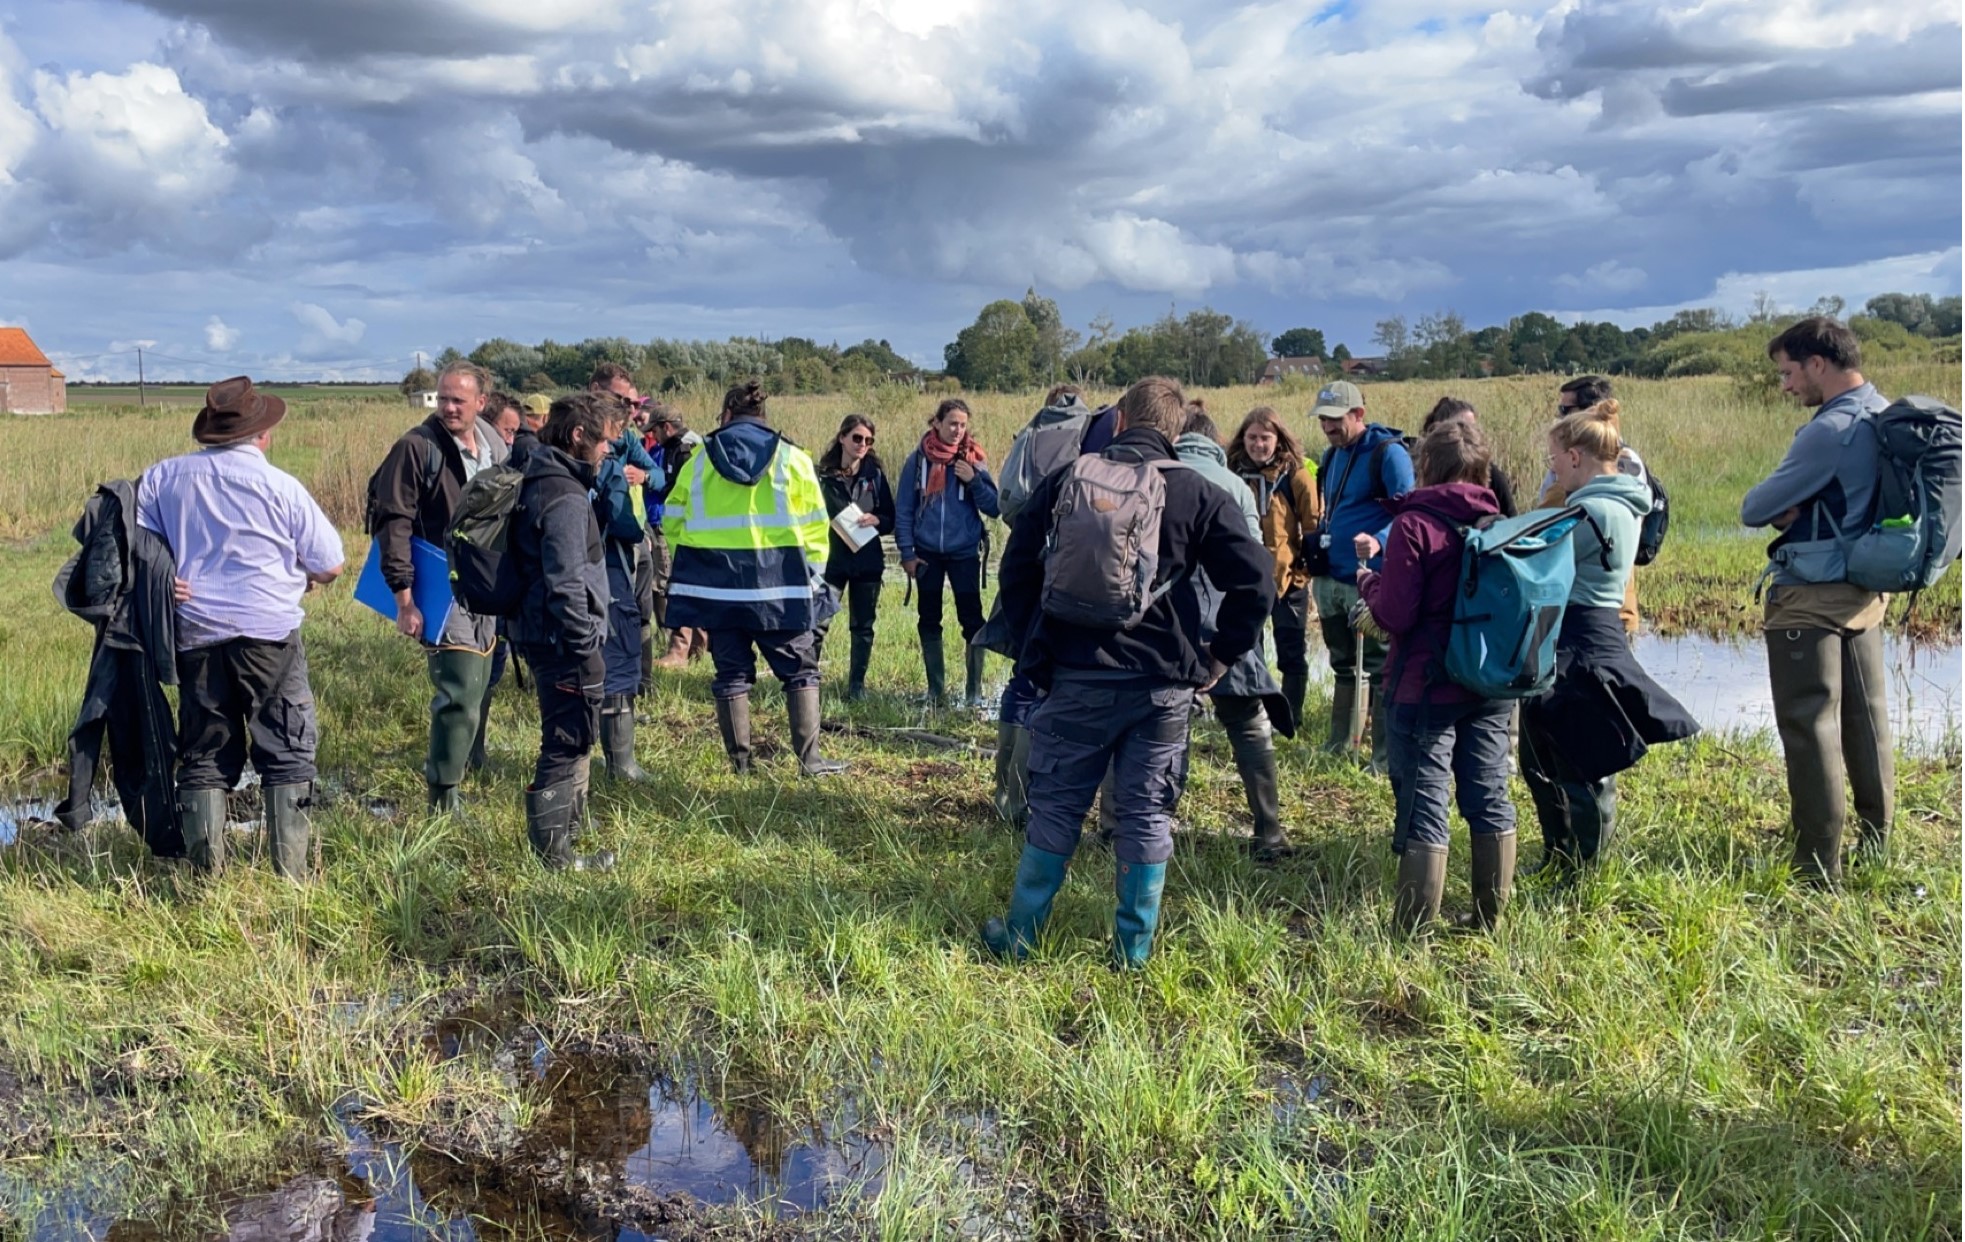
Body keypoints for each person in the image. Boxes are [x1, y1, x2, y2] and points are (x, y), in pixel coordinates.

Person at [982, 377, 1272, 969]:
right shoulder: (1196, 491)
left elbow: (1015, 568)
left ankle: (1020, 937)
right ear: (1176, 431)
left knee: (1057, 804)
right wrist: (1220, 655)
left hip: (1077, 674)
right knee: (1145, 812)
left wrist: (1038, 651)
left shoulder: (1071, 478)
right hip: (1163, 682)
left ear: (1118, 423)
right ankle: (1131, 952)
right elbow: (1256, 581)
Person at [136, 377, 344, 876]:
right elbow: (331, 563)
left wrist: (166, 578)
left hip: (196, 633)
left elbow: (136, 543)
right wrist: (300, 574)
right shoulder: (281, 486)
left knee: (206, 751)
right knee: (287, 748)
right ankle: (291, 878)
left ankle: (208, 877)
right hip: (269, 634)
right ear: (263, 433)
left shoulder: (163, 478)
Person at [1741, 317, 1894, 885]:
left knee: (1810, 727)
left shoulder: (1828, 429)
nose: (1785, 386)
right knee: (1867, 719)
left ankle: (1816, 866)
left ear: (1818, 364)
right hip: (1864, 588)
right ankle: (1876, 842)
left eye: (1788, 372)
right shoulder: (1883, 411)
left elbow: (1754, 508)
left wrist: (1789, 509)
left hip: (1811, 595)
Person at [1519, 402, 1697, 875]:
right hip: (1584, 633)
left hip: (1579, 638)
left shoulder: (1592, 508)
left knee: (1579, 760)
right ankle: (1564, 858)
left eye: (1553, 458)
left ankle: (1582, 869)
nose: (1552, 468)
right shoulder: (1620, 501)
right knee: (1549, 755)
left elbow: (1535, 562)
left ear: (1575, 457)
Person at [1354, 419, 1514, 930]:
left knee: (1425, 802)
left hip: (1424, 687)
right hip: (1490, 683)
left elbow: (1395, 615)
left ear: (1427, 465)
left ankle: (1412, 932)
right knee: (1489, 794)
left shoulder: (1415, 525)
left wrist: (1368, 584)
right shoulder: (1501, 522)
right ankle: (1490, 922)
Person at [664, 381, 848, 777]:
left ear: (726, 415)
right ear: (763, 418)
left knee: (730, 675)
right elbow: (817, 527)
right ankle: (810, 762)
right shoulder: (793, 460)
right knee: (801, 671)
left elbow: (673, 519)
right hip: (779, 589)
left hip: (718, 590)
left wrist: (699, 564)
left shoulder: (699, 460)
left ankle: (741, 765)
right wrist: (811, 578)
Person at [368, 360, 510, 812]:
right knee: (459, 689)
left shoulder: (493, 442)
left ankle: (467, 764)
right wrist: (404, 599)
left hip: (488, 584)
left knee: (483, 680)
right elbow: (394, 524)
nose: (448, 407)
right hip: (440, 588)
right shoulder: (416, 447)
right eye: (443, 398)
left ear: (481, 403)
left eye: (458, 400)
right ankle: (442, 799)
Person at [1175, 409, 1294, 860]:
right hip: (1229, 619)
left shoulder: (1158, 474)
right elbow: (1251, 563)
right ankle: (1269, 833)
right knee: (1247, 724)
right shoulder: (1236, 485)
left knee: (1161, 724)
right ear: (1213, 441)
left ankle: (1132, 827)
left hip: (1174, 621)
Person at [506, 392, 618, 872]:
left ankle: (567, 834)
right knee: (566, 739)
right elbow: (566, 579)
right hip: (561, 638)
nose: (609, 451)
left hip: (537, 630)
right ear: (579, 436)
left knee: (569, 735)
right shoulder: (565, 495)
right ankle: (555, 856)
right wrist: (584, 641)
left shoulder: (537, 478)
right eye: (606, 441)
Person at [1308, 380, 1414, 770]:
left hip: (1371, 580)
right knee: (1342, 663)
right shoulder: (1331, 455)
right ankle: (1340, 744)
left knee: (1381, 668)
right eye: (1323, 419)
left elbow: (1409, 514)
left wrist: (1381, 540)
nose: (1328, 427)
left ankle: (1383, 759)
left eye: (1335, 419)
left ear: (1358, 414)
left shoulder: (1389, 454)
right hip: (1331, 578)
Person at [586, 364, 663, 783]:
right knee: (617, 654)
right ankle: (621, 764)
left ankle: (607, 759)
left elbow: (660, 475)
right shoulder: (601, 449)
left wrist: (646, 474)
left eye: (633, 403)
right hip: (609, 559)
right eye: (623, 403)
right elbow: (619, 517)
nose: (631, 412)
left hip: (607, 559)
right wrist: (634, 533)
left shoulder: (623, 441)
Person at [896, 398, 1000, 706]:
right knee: (928, 618)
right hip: (927, 553)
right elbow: (904, 510)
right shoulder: (917, 462)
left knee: (972, 620)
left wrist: (974, 480)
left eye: (963, 425)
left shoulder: (972, 461)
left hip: (964, 553)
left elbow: (994, 507)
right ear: (937, 423)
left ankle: (974, 693)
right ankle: (935, 691)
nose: (957, 430)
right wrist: (906, 553)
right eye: (952, 423)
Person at [1226, 405, 1323, 730]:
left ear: (1278, 439)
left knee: (1291, 654)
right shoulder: (1233, 472)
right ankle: (1254, 717)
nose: (1258, 445)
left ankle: (1290, 720)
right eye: (1252, 437)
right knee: (1250, 652)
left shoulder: (1296, 475)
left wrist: (1304, 573)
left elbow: (1313, 528)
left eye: (1265, 438)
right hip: (1247, 579)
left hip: (1289, 580)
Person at [1535, 376, 1643, 636]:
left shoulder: (1618, 464)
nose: (1559, 417)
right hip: (1576, 606)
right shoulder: (1577, 459)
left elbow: (1549, 531)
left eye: (1564, 410)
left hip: (1602, 612)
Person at [816, 414, 896, 700]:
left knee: (863, 627)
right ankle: (808, 682)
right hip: (831, 561)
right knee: (818, 621)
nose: (863, 444)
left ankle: (856, 687)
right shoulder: (822, 476)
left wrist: (877, 519)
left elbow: (891, 518)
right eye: (857, 438)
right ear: (842, 438)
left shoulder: (874, 475)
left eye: (868, 440)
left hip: (867, 561)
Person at [646, 403, 705, 673]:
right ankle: (696, 649)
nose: (653, 436)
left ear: (667, 427)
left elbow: (682, 491)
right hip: (687, 529)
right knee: (693, 587)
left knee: (679, 586)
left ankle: (679, 651)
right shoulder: (680, 447)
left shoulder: (685, 450)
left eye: (655, 430)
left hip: (688, 531)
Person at [1421, 397, 1516, 516]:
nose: (1469, 433)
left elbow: (1512, 522)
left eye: (1473, 427)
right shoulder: (1422, 469)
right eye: (1462, 427)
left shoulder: (1493, 476)